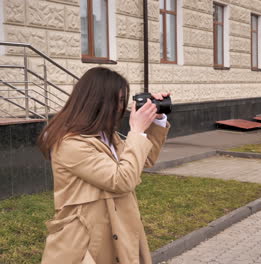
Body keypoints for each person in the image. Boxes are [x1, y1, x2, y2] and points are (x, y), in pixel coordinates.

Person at [38, 67, 170, 264]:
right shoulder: (70, 143)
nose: (120, 107)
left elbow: (143, 161)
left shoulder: (105, 135)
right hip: (86, 241)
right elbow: (121, 181)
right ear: (96, 101)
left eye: (122, 100)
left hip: (118, 228)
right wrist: (137, 131)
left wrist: (157, 121)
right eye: (117, 100)